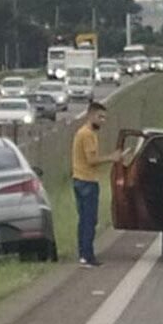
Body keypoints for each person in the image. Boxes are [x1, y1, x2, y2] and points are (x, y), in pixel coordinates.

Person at [72, 102, 122, 268]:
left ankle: (83, 254)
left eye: (104, 118)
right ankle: (88, 256)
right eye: (100, 117)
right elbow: (91, 160)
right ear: (90, 115)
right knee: (90, 220)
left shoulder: (82, 132)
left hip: (79, 179)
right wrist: (111, 158)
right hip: (87, 181)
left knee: (83, 219)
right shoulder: (87, 134)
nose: (102, 121)